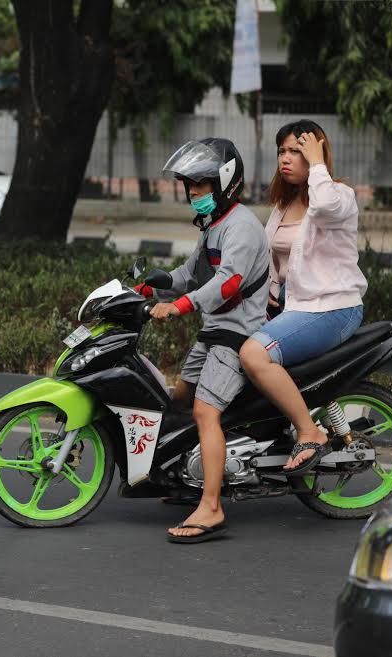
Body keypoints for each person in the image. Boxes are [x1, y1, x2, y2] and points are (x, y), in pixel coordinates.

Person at [141, 138, 270, 543]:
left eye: (200, 184)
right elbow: (190, 273)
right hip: (215, 331)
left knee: (204, 413)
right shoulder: (214, 225)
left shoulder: (242, 226)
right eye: (189, 185)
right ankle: (186, 479)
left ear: (225, 183)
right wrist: (152, 287)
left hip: (237, 335)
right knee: (178, 401)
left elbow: (228, 283)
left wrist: (178, 306)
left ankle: (212, 507)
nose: (192, 192)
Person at [239, 120, 366, 475]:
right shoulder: (283, 205)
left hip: (333, 308)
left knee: (254, 354)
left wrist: (319, 163)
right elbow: (276, 265)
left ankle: (310, 432)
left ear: (318, 152)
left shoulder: (339, 196)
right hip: (295, 309)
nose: (287, 158)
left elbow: (323, 204)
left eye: (298, 150)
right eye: (282, 150)